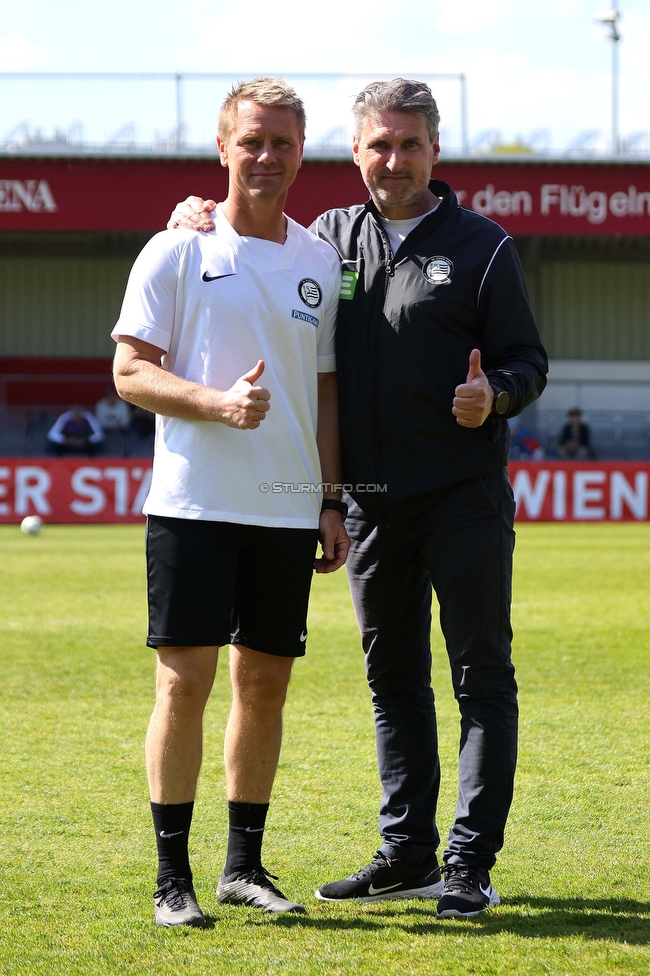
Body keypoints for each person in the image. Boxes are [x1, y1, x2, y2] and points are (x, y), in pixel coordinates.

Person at [167, 78, 548, 919]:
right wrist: (189, 215)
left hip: (462, 494)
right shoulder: (329, 241)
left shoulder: (485, 247)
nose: (394, 159)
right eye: (379, 144)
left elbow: (527, 360)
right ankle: (407, 853)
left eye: (409, 144)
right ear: (356, 153)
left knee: (481, 674)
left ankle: (469, 865)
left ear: (434, 152)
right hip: (373, 505)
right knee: (394, 679)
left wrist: (500, 397)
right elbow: (247, 236)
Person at [113, 76, 348, 928]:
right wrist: (216, 403)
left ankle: (242, 867)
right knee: (184, 685)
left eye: (283, 142)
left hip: (287, 508)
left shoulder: (320, 259)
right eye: (252, 140)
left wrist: (329, 500)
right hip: (193, 505)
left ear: (302, 152)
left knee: (267, 688)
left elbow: (324, 389)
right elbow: (128, 371)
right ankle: (171, 878)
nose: (267, 155)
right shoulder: (176, 248)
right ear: (224, 149)